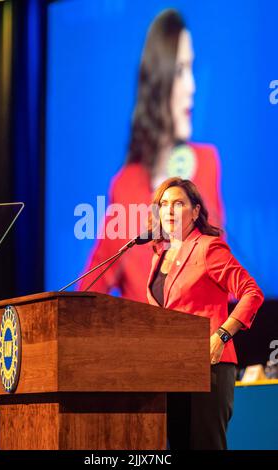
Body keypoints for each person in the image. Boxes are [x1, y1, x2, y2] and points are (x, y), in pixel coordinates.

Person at [78, 9, 224, 302]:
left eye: (191, 69)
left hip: (202, 344)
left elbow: (217, 275)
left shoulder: (206, 164)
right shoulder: (126, 185)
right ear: (159, 83)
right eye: (181, 71)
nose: (192, 87)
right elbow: (91, 287)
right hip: (144, 346)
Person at [147, 176, 264, 450]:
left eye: (178, 203)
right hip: (168, 370)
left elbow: (251, 293)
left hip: (208, 367)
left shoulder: (208, 248)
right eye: (164, 204)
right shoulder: (158, 256)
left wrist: (222, 335)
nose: (170, 210)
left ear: (196, 211)